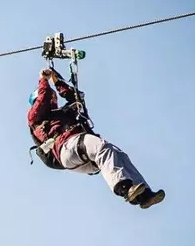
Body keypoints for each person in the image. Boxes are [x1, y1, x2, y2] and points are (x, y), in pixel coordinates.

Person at [28, 67, 165, 209]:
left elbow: (76, 98)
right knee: (102, 147)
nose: (53, 99)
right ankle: (123, 188)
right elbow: (43, 98)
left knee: (119, 154)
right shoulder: (34, 118)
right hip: (66, 147)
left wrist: (57, 81)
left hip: (80, 155)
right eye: (51, 96)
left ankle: (144, 196)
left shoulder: (63, 113)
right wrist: (44, 80)